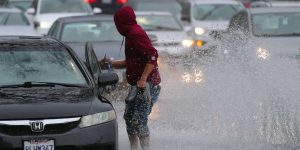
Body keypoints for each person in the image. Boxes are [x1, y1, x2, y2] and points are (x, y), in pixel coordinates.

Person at [100, 6, 161, 150]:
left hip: (147, 86)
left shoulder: (135, 33)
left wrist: (143, 78)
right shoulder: (129, 35)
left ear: (122, 21)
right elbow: (132, 62)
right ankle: (134, 147)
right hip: (136, 87)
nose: (117, 27)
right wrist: (112, 63)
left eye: (117, 23)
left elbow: (152, 55)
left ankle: (145, 147)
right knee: (129, 118)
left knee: (140, 120)